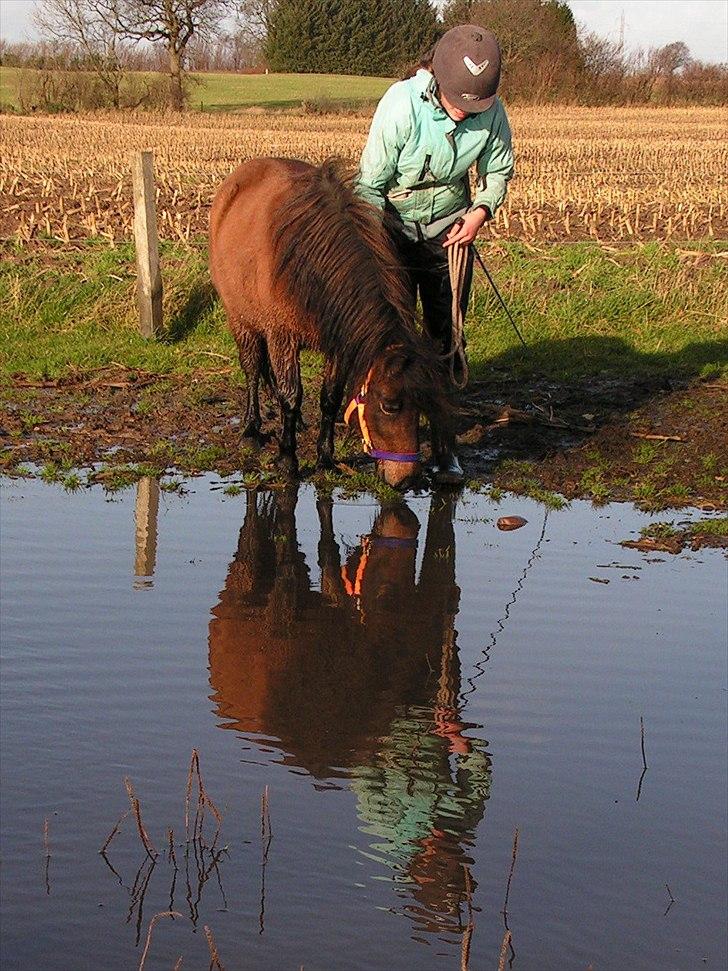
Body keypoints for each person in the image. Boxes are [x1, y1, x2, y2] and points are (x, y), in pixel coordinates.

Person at [355, 24, 514, 483]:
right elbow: (369, 188)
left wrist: (480, 211)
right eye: (459, 105)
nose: (467, 116)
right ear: (438, 79)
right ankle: (397, 437)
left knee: (445, 341)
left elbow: (498, 170)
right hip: (394, 233)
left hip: (451, 232)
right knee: (398, 345)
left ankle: (445, 448)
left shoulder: (491, 112)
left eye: (475, 108)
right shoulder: (401, 106)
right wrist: (372, 253)